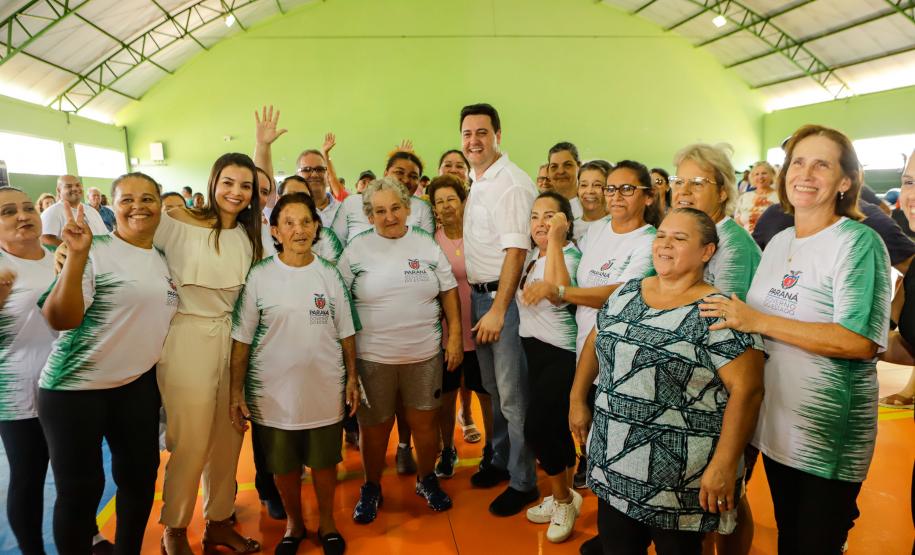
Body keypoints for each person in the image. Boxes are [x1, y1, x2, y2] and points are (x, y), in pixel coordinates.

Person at [701, 124, 892, 554]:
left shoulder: (858, 243)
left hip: (827, 438)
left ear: (845, 181)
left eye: (821, 164)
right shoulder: (780, 240)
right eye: (798, 162)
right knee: (790, 534)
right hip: (776, 425)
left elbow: (859, 341)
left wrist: (757, 321)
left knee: (813, 543)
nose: (805, 173)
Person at [571, 208, 765, 555]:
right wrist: (576, 400)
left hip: (680, 482)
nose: (665, 244)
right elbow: (594, 341)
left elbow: (748, 391)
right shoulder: (626, 293)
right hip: (612, 464)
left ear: (707, 252)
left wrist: (723, 463)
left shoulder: (719, 310)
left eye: (680, 238)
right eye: (661, 235)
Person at [522, 161, 660, 553]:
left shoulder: (648, 240)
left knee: (620, 452)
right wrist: (558, 280)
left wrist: (559, 292)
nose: (616, 196)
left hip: (623, 358)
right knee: (596, 450)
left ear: (648, 196)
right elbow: (566, 277)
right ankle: (608, 528)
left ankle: (624, 536)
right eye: (611, 189)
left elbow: (621, 294)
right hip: (587, 348)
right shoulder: (595, 231)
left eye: (627, 189)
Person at [39, 173, 177, 554]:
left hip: (134, 386)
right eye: (127, 199)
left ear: (160, 205)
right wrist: (77, 258)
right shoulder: (92, 249)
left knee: (139, 480)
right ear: (112, 207)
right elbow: (59, 319)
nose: (138, 207)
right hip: (74, 391)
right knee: (80, 493)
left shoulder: (163, 258)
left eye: (148, 198)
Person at [230, 193, 358, 555]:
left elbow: (347, 330)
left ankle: (328, 523)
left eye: (306, 222)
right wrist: (236, 391)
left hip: (323, 386)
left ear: (317, 227)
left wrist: (351, 378)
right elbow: (241, 337)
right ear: (275, 231)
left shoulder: (329, 274)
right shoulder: (260, 275)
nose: (299, 229)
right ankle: (294, 524)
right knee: (283, 465)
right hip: (272, 392)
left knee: (323, 461)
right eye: (289, 222)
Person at [337, 177, 462, 523]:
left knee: (424, 423)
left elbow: (448, 290)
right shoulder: (356, 250)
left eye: (395, 208)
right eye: (379, 211)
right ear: (369, 215)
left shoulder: (425, 243)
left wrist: (453, 338)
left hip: (423, 355)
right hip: (373, 358)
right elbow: (339, 301)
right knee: (374, 428)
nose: (389, 216)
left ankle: (426, 480)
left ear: (408, 208)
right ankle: (372, 486)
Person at [156, 153, 263, 555]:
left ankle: (218, 521)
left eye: (246, 186)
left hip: (232, 341)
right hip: (186, 337)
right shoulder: (177, 223)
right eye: (228, 182)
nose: (236, 192)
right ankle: (175, 528)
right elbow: (132, 246)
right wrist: (70, 255)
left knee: (230, 434)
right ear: (213, 181)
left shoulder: (249, 237)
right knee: (191, 439)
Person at [669, 143, 762, 555]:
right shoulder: (692, 234)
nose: (683, 190)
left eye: (697, 182)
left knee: (725, 494)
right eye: (679, 181)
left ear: (722, 190)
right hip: (700, 382)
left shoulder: (732, 244)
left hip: (727, 383)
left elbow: (722, 322)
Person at [460, 102, 539, 516]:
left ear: (498, 136)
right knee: (493, 391)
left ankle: (524, 481)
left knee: (512, 395)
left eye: (482, 133)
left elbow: (516, 251)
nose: (474, 141)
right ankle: (501, 461)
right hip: (481, 296)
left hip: (500, 301)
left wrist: (497, 309)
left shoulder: (509, 182)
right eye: (468, 134)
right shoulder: (481, 180)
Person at [517, 191, 583, 543]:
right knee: (555, 430)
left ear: (565, 222)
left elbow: (560, 293)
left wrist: (557, 239)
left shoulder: (568, 254)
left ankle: (562, 501)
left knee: (538, 429)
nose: (541, 223)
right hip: (535, 351)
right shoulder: (531, 257)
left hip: (560, 353)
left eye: (550, 216)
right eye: (535, 216)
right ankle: (567, 495)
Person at [0, 186, 56, 555]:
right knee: (28, 477)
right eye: (7, 211)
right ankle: (32, 549)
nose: (22, 216)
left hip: (68, 385)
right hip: (17, 389)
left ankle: (88, 533)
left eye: (26, 207)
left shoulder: (60, 256)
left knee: (74, 475)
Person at [426, 175, 493, 478]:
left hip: (481, 327)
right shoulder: (431, 241)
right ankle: (447, 449)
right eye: (439, 202)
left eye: (451, 199)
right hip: (445, 332)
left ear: (464, 201)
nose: (446, 206)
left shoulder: (479, 235)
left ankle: (492, 449)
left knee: (485, 392)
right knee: (447, 393)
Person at [332, 150, 435, 244]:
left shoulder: (423, 208)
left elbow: (426, 250)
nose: (406, 180)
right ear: (386, 173)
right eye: (399, 172)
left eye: (413, 176)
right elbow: (334, 245)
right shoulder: (352, 203)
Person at [40, 175, 108, 247]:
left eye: (78, 185)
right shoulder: (51, 212)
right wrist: (75, 250)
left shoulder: (92, 211)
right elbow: (45, 239)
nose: (75, 188)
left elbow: (105, 235)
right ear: (59, 190)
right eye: (69, 186)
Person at [733, 161, 778, 233]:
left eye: (764, 173)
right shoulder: (744, 197)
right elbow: (737, 221)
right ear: (752, 177)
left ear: (772, 175)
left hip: (771, 240)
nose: (760, 177)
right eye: (756, 174)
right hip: (747, 240)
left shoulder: (779, 197)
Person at [572, 160, 611, 243]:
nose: (589, 191)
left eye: (597, 185)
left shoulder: (616, 225)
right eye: (584, 185)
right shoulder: (568, 228)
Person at [546, 142, 583, 219]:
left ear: (579, 167)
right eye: (554, 166)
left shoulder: (591, 207)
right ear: (548, 171)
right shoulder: (542, 206)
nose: (561, 171)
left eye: (567, 165)